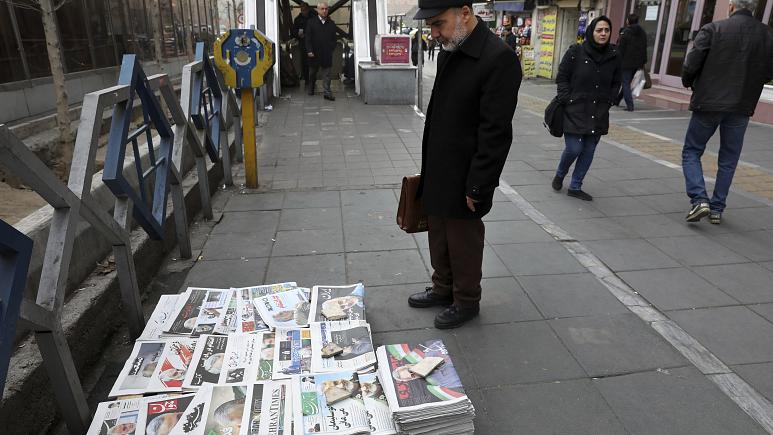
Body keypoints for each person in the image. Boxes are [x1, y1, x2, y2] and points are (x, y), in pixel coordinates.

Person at [407, 0, 522, 329]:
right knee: (439, 232)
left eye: (439, 24)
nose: (434, 33)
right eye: (431, 26)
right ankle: (443, 288)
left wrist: (479, 184)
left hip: (468, 171)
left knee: (463, 239)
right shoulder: (450, 50)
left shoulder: (498, 58)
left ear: (465, 14)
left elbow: (496, 132)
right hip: (440, 163)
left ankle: (466, 300)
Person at [680, 0, 773, 224]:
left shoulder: (713, 29)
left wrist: (689, 82)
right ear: (753, 9)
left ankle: (699, 198)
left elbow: (691, 63)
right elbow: (769, 72)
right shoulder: (767, 34)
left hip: (709, 103)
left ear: (731, 6)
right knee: (728, 159)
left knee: (691, 151)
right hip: (741, 105)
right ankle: (716, 208)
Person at [551, 16, 621, 201]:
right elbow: (562, 76)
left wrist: (611, 99)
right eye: (599, 30)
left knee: (589, 150)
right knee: (574, 148)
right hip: (575, 109)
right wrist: (566, 98)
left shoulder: (614, 55)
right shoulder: (576, 51)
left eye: (607, 30)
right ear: (591, 31)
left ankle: (575, 186)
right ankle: (560, 173)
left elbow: (617, 81)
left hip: (598, 111)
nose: (603, 34)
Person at [614, 14, 647, 111]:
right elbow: (644, 48)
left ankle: (630, 105)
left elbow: (621, 48)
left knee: (625, 82)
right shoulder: (642, 32)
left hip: (626, 62)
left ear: (628, 21)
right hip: (637, 63)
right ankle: (617, 100)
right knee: (626, 82)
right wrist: (643, 62)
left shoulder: (626, 32)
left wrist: (617, 59)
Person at [305, 2, 337, 101]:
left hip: (326, 53)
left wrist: (331, 48)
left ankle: (327, 92)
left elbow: (334, 39)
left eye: (326, 9)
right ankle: (311, 89)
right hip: (314, 53)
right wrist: (309, 50)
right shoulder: (311, 22)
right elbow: (308, 38)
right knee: (312, 73)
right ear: (318, 10)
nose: (324, 11)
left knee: (327, 74)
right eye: (322, 9)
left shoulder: (331, 24)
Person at [291, 2, 314, 84]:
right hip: (303, 43)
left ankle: (312, 79)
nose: (303, 11)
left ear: (308, 9)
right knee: (304, 62)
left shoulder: (313, 17)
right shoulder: (297, 19)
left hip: (313, 43)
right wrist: (298, 34)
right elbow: (293, 32)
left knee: (313, 61)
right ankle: (307, 80)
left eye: (305, 9)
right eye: (302, 10)